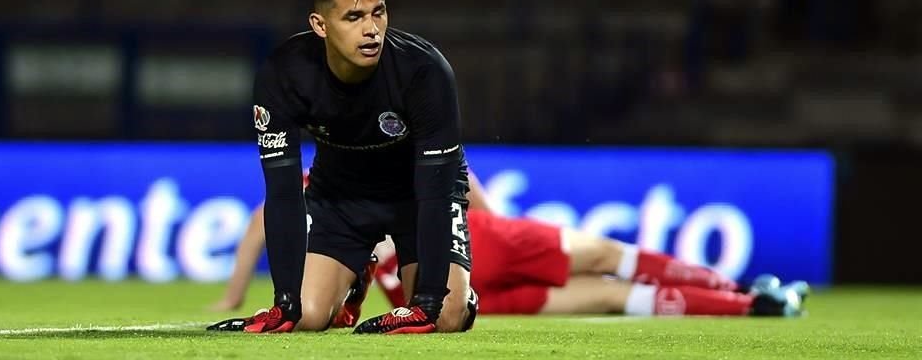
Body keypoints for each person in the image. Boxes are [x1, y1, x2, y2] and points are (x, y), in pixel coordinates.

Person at [209, 0, 477, 335]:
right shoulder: (284, 75)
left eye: (378, 12)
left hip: (419, 199)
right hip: (341, 198)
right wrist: (285, 303)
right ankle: (356, 275)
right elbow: (283, 193)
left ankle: (459, 297)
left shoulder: (424, 71)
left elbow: (436, 192)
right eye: (354, 17)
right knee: (305, 318)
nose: (372, 30)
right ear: (320, 25)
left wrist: (429, 302)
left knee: (446, 318)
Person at [213, 172, 808, 319]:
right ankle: (744, 294)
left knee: (608, 296)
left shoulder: (305, 197)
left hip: (437, 295)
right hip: (475, 251)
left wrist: (235, 296)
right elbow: (454, 170)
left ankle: (754, 304)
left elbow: (256, 232)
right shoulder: (375, 149)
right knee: (606, 258)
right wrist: (492, 225)